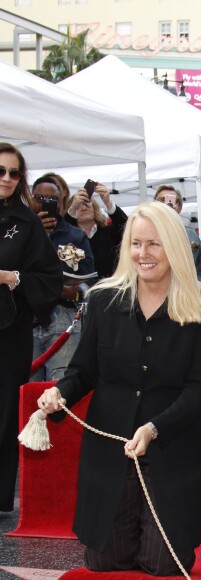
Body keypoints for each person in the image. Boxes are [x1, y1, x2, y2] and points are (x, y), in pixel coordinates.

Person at [38, 202, 201, 576]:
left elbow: (200, 388)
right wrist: (60, 394)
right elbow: (82, 372)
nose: (143, 254)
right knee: (106, 562)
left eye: (154, 244)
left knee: (163, 564)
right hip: (108, 452)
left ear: (174, 246)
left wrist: (155, 428)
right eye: (136, 244)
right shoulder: (103, 300)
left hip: (170, 449)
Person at [0, 143, 62, 513]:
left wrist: (13, 277)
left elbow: (50, 278)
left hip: (9, 332)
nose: (6, 178)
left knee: (5, 411)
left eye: (13, 172)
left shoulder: (26, 223)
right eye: (1, 170)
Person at [30, 175, 96, 382]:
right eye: (40, 197)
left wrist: (75, 292)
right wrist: (35, 233)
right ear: (30, 199)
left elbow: (90, 281)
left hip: (63, 317)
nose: (45, 203)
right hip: (26, 317)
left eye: (53, 199)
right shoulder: (18, 231)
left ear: (60, 203)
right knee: (25, 389)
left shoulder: (75, 236)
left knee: (59, 387)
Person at [66, 182, 128, 279]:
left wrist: (108, 202)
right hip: (79, 292)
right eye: (78, 206)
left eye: (87, 203)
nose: (83, 208)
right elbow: (60, 232)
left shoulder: (108, 232)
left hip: (110, 289)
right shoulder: (69, 237)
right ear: (72, 211)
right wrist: (73, 207)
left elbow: (126, 227)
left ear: (94, 207)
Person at [153, 184, 201, 284]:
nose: (168, 203)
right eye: (162, 200)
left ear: (179, 207)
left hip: (184, 293)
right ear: (155, 205)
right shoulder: (145, 232)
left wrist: (199, 291)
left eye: (173, 200)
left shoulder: (190, 235)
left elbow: (200, 271)